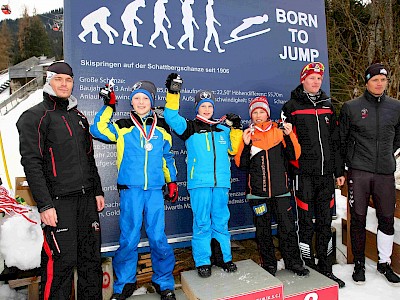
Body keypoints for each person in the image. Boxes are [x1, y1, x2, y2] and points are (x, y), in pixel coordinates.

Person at [16, 62, 105, 299]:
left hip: (86, 202)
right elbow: (32, 164)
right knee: (61, 265)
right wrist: (45, 204)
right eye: (58, 79)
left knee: (91, 261)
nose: (64, 84)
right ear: (48, 80)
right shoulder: (34, 116)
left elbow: (89, 158)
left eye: (68, 80)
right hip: (58, 203)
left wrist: (97, 190)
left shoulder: (79, 116)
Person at [90, 80, 178, 300]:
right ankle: (124, 283)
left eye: (145, 98)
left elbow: (167, 157)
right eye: (137, 98)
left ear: (151, 101)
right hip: (131, 190)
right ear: (131, 101)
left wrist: (172, 181)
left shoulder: (163, 127)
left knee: (158, 237)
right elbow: (97, 129)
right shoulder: (122, 125)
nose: (141, 102)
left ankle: (164, 281)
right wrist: (109, 106)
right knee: (129, 238)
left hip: (155, 190)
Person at [163, 73, 242, 278]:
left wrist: (237, 128)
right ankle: (203, 261)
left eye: (210, 106)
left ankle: (224, 258)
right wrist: (173, 93)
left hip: (221, 183)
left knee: (221, 221)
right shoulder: (190, 127)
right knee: (201, 222)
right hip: (199, 183)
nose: (207, 109)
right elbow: (171, 117)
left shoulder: (222, 129)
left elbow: (234, 149)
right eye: (203, 105)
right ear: (197, 107)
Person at [281, 62, 345, 288]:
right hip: (303, 175)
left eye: (319, 78)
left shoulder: (328, 105)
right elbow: (286, 144)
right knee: (306, 222)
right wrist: (292, 171)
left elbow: (335, 141)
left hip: (326, 175)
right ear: (303, 80)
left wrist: (338, 170)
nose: (316, 82)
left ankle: (326, 267)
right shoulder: (291, 106)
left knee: (325, 222)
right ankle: (306, 265)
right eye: (311, 78)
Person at [234, 96, 309, 277]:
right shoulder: (248, 134)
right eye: (255, 112)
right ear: (251, 115)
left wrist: (289, 134)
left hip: (281, 192)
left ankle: (293, 262)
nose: (258, 115)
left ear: (267, 113)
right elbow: (240, 164)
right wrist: (245, 145)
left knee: (288, 228)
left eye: (261, 111)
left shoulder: (279, 131)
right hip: (258, 194)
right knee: (263, 231)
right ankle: (269, 265)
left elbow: (294, 154)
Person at [339, 63, 400, 286]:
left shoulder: (396, 107)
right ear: (367, 82)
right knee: (358, 217)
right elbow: (341, 140)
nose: (379, 84)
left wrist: (385, 153)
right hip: (359, 170)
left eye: (383, 80)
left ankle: (384, 263)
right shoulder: (351, 107)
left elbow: (397, 137)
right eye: (375, 80)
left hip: (384, 171)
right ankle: (359, 264)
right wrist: (344, 167)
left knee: (386, 217)